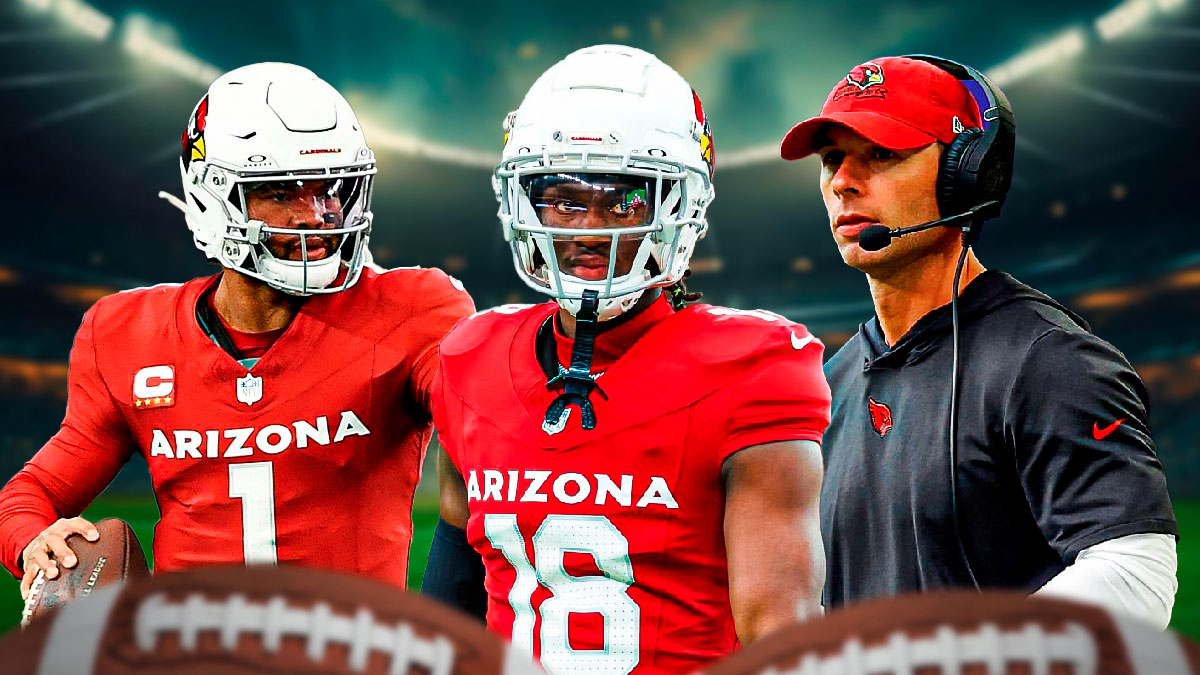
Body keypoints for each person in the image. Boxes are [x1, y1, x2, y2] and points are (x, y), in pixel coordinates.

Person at [420, 45, 830, 675]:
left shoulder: (752, 367)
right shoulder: (470, 357)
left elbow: (781, 630)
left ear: (679, 207)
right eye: (562, 199)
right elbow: (453, 601)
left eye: (624, 202)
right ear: (524, 203)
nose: (590, 229)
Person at [0, 63, 474, 598]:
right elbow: (30, 493)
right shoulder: (126, 333)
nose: (318, 215)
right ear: (212, 197)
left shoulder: (413, 309)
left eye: (331, 188)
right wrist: (35, 540)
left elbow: (488, 444)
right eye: (283, 191)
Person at [780, 55, 1178, 627]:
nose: (844, 181)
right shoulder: (829, 385)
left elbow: (1136, 572)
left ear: (965, 173)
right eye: (832, 159)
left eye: (883, 154)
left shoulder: (1050, 360)